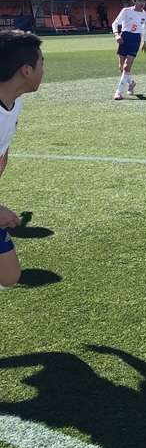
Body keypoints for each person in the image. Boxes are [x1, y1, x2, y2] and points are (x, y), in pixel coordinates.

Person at [0, 30, 45, 288]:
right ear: (26, 70)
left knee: (8, 276)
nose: (44, 70)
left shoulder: (15, 101)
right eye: (41, 63)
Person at [111, 0, 146, 100]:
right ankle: (131, 83)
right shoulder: (126, 11)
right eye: (139, 1)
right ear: (134, 1)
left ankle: (119, 92)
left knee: (126, 66)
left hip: (135, 39)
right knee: (121, 67)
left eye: (144, 1)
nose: (142, 3)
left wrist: (144, 42)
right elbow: (115, 23)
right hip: (124, 37)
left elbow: (144, 29)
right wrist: (116, 35)